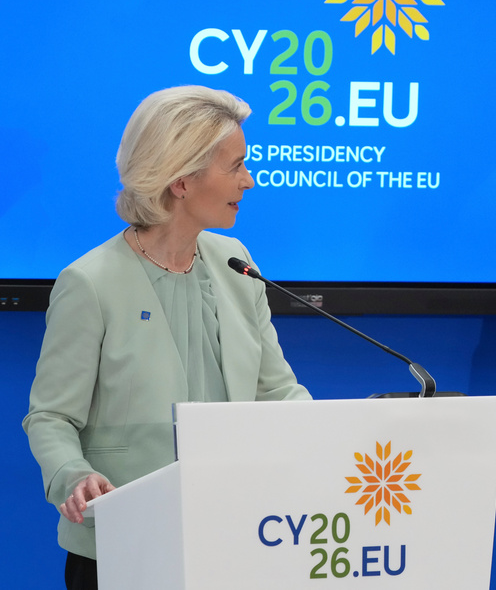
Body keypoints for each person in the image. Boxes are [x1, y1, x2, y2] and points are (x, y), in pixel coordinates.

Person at [23, 85, 312, 589]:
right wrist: (72, 475)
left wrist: (337, 434)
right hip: (124, 545)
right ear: (181, 180)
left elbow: (277, 390)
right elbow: (50, 416)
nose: (249, 180)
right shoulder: (90, 282)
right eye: (236, 166)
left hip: (233, 536)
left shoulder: (234, 261)